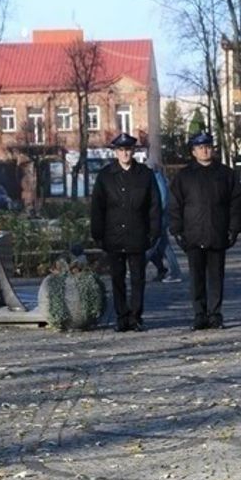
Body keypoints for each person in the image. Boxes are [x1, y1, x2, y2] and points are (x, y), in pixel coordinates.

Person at [168, 132, 241, 330]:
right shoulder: (184, 176)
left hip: (217, 232)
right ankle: (199, 314)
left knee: (216, 276)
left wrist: (234, 229)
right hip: (193, 234)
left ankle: (215, 314)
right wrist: (177, 231)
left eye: (208, 146)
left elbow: (237, 202)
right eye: (200, 147)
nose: (205, 150)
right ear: (193, 151)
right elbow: (174, 205)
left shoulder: (225, 174)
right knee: (196, 277)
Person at [89, 132, 161, 332]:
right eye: (121, 150)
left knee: (138, 278)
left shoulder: (145, 175)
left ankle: (136, 317)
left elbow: (154, 205)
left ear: (133, 151)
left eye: (128, 150)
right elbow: (97, 207)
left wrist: (154, 232)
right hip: (113, 235)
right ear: (116, 153)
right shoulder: (105, 176)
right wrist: (98, 234)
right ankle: (122, 317)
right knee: (117, 278)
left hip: (138, 234)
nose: (125, 154)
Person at [146, 166, 182, 283]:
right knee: (164, 246)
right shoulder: (154, 177)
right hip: (157, 217)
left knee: (151, 245)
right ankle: (166, 270)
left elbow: (163, 200)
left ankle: (138, 267)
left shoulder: (157, 177)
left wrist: (155, 213)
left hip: (159, 217)